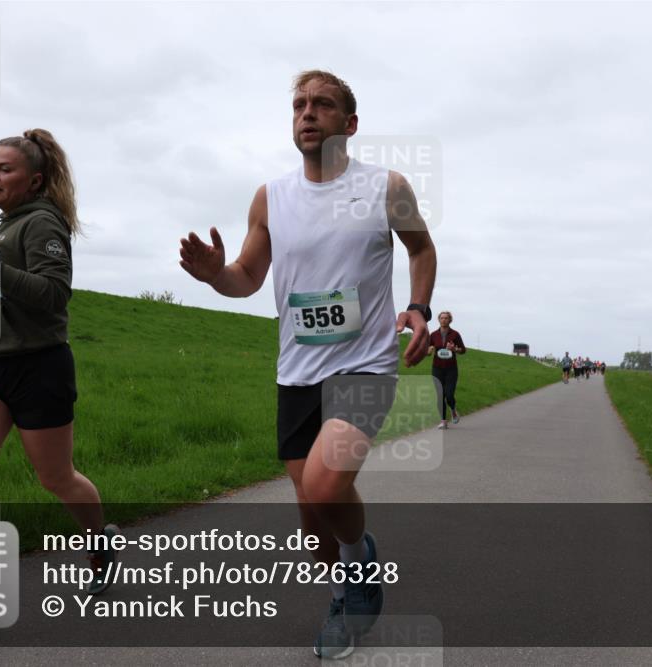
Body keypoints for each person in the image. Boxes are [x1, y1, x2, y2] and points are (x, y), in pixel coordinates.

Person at [179, 70, 436, 659]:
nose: (307, 112)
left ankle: (358, 577)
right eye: (298, 104)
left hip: (365, 367)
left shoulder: (385, 187)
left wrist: (418, 307)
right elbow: (246, 277)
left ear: (349, 124)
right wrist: (215, 273)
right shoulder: (271, 197)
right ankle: (351, 567)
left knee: (325, 485)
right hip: (296, 375)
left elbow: (421, 248)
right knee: (314, 531)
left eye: (321, 104)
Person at [0, 129, 117, 596]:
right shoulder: (1, 226)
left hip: (39, 367)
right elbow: (2, 293)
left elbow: (53, 295)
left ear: (35, 180)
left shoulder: (43, 222)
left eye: (5, 169)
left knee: (56, 478)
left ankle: (99, 540)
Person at [427, 311, 465, 428]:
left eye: (446, 318)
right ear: (439, 320)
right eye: (441, 318)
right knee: (440, 395)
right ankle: (443, 421)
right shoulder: (433, 335)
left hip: (451, 369)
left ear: (450, 320)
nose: (443, 320)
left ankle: (453, 410)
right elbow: (427, 350)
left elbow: (463, 350)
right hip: (437, 368)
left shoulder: (455, 334)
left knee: (449, 395)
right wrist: (429, 350)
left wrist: (455, 349)